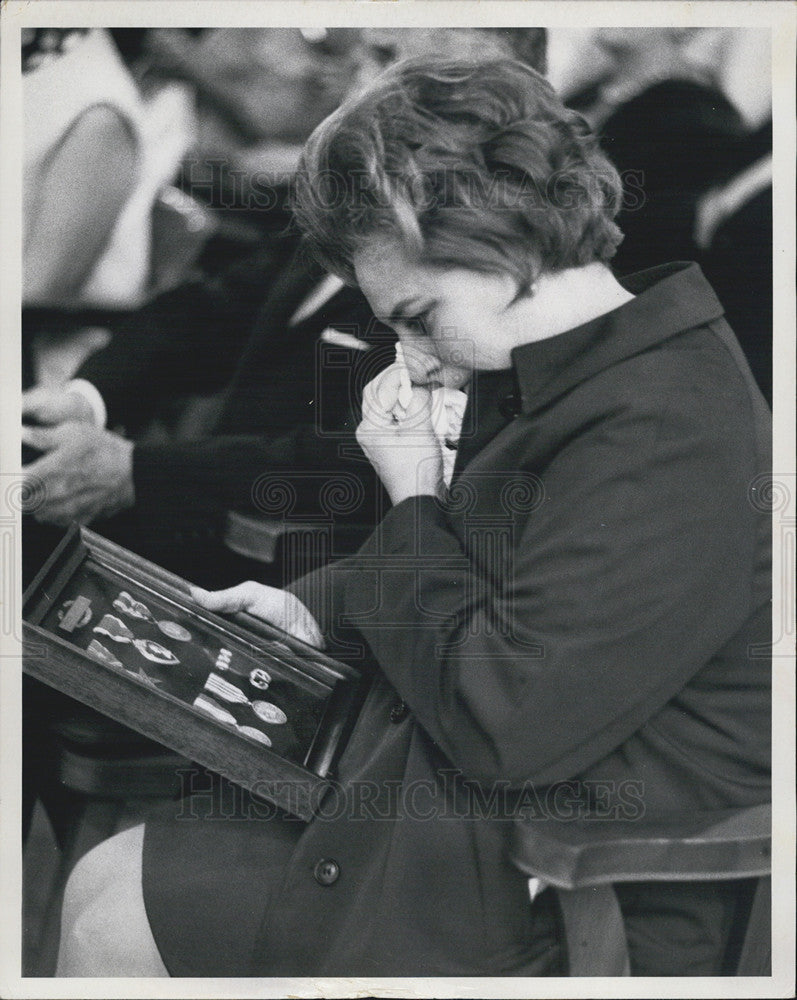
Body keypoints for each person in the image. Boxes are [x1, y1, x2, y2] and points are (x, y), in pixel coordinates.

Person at [56, 57, 770, 978]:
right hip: (479, 797)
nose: (415, 360)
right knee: (97, 889)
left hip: (573, 874)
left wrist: (413, 494)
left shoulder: (664, 425)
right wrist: (318, 606)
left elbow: (508, 725)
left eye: (421, 318)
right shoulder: (572, 366)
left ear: (498, 240)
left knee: (110, 933)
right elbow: (493, 569)